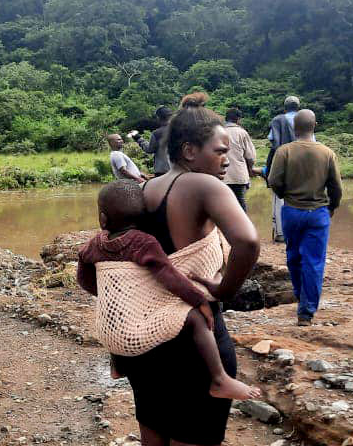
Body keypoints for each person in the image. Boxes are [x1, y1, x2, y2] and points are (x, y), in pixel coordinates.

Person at [121, 92, 260, 446]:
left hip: (148, 336)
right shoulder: (204, 184)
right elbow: (247, 241)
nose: (227, 159)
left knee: (154, 432)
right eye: (220, 150)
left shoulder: (147, 188)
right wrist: (224, 290)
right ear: (188, 151)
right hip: (195, 342)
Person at [77, 180, 261, 401]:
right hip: (135, 333)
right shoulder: (144, 243)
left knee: (118, 317)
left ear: (103, 218)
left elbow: (84, 278)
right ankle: (219, 378)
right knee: (196, 319)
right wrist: (198, 300)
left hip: (108, 332)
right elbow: (169, 276)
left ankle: (117, 366)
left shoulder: (94, 244)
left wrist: (106, 292)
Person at [267, 109, 341, 326]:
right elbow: (336, 186)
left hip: (291, 211)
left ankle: (300, 295)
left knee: (293, 256)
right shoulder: (327, 153)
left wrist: (285, 195)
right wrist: (333, 206)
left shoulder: (284, 151)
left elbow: (274, 180)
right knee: (314, 261)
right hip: (317, 212)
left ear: (293, 128)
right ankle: (306, 312)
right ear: (314, 125)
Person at [265, 96, 301, 242]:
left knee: (279, 197)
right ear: (298, 107)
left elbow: (273, 141)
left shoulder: (278, 120)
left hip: (282, 162)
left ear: (285, 107)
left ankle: (281, 233)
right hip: (301, 164)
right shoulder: (305, 119)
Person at [222, 107, 256, 211]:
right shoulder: (242, 133)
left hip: (222, 176)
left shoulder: (219, 132)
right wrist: (250, 168)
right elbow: (251, 156)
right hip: (239, 176)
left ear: (226, 118)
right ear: (238, 119)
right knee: (241, 205)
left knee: (224, 206)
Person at [130, 106, 173, 176]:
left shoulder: (157, 133)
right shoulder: (181, 131)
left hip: (162, 171)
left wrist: (138, 138)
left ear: (158, 118)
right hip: (179, 170)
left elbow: (150, 149)